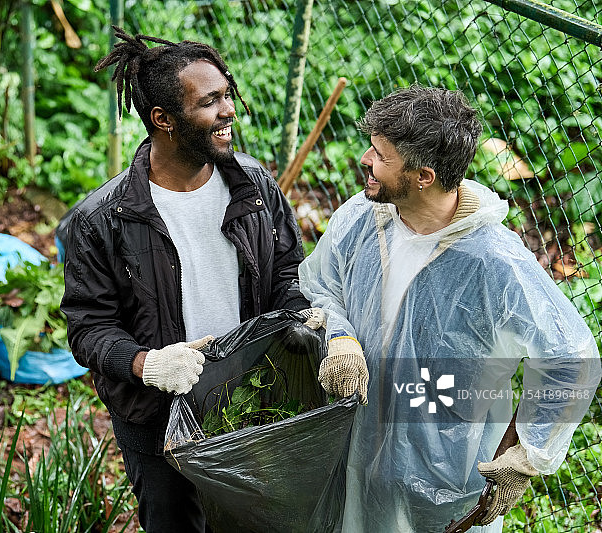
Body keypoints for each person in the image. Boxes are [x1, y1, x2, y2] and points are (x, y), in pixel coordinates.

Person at [299, 85, 602, 532]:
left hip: (439, 473)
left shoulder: (494, 262)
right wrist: (340, 335)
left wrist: (525, 457)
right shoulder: (363, 219)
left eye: (381, 156)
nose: (365, 159)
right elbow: (322, 286)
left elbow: (571, 357)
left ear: (423, 175)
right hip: (350, 443)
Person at [60, 27, 320, 532]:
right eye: (210, 102)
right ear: (164, 120)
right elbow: (88, 326)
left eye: (227, 95)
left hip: (251, 401)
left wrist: (298, 315)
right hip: (157, 418)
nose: (229, 111)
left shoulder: (254, 186)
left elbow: (287, 270)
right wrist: (147, 363)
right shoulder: (104, 219)